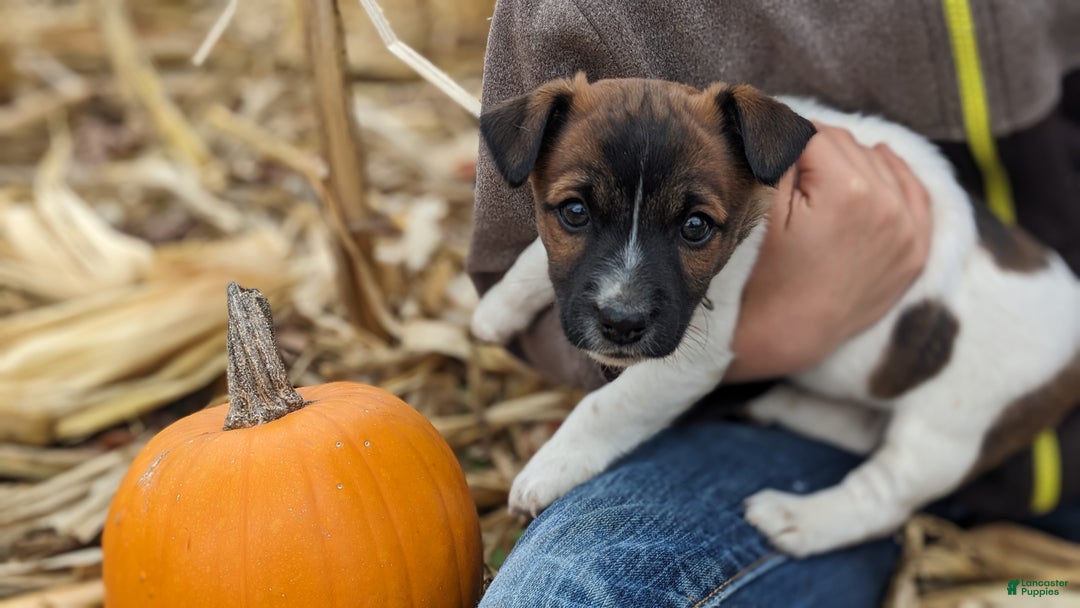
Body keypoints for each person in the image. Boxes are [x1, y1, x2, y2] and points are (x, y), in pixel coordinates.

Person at [466, 1, 1080, 605]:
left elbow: (697, 359)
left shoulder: (743, 165)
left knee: (947, 427)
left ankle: (865, 506)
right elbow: (586, 216)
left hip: (1017, 354)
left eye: (695, 228)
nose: (620, 301)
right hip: (788, 424)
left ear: (761, 180)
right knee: (563, 591)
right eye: (576, 212)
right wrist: (514, 298)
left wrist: (583, 443)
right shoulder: (650, 112)